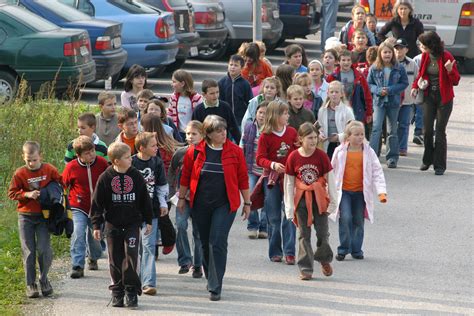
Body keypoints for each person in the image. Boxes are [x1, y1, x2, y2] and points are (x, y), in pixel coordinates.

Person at [177, 115, 250, 301]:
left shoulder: (235, 151)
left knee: (217, 240)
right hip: (200, 204)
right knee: (204, 241)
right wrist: (181, 198)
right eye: (218, 130)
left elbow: (242, 178)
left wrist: (247, 203)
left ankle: (216, 286)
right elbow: (185, 176)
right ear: (208, 134)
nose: (223, 133)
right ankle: (211, 276)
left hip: (225, 204)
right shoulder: (195, 151)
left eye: (224, 129)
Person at [91, 142, 153, 308]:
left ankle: (131, 291)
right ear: (116, 161)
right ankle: (117, 291)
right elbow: (97, 203)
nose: (130, 159)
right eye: (127, 157)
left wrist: (148, 219)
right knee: (115, 258)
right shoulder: (105, 177)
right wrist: (97, 225)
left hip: (133, 224)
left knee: (132, 255)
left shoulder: (136, 176)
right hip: (113, 225)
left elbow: (145, 200)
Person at [8, 141, 61, 298]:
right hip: (26, 216)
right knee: (29, 251)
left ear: (41, 156)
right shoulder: (20, 174)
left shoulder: (49, 169)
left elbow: (60, 182)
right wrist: (26, 194)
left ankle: (44, 279)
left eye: (34, 160)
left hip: (44, 216)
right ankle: (30, 284)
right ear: (23, 157)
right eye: (28, 160)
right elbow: (12, 193)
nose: (31, 163)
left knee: (44, 250)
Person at [284, 122, 336, 280]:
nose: (313, 141)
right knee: (303, 235)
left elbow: (330, 180)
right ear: (301, 139)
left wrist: (333, 202)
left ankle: (324, 258)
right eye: (310, 138)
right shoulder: (293, 156)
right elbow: (289, 182)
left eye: (315, 137)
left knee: (322, 233)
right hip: (301, 200)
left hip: (319, 199)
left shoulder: (321, 156)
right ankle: (306, 267)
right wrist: (289, 206)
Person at [330, 121, 387, 261]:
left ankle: (356, 249)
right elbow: (331, 171)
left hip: (361, 193)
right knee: (346, 217)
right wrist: (327, 190)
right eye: (356, 134)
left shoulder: (369, 152)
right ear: (348, 137)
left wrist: (381, 192)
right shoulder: (340, 151)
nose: (360, 137)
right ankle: (343, 248)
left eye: (362, 134)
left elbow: (377, 172)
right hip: (344, 192)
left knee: (358, 220)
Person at [410, 31, 460, 175]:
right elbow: (420, 75)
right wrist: (415, 87)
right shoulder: (425, 56)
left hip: (444, 98)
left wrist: (450, 70)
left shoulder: (446, 56)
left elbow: (456, 80)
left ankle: (439, 165)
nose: (421, 48)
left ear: (431, 46)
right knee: (427, 130)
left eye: (423, 45)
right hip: (429, 96)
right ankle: (427, 159)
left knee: (439, 131)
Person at [255, 101, 298, 265]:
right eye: (285, 113)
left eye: (287, 113)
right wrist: (273, 165)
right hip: (271, 179)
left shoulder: (292, 132)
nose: (288, 116)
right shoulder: (265, 135)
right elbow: (260, 158)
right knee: (273, 217)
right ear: (276, 115)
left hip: (289, 178)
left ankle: (290, 252)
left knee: (289, 214)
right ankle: (275, 251)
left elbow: (297, 151)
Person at [62, 136, 108, 279]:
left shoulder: (102, 163)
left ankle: (93, 257)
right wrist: (62, 205)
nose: (91, 155)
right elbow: (63, 185)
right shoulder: (72, 167)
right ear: (78, 155)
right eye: (87, 153)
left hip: (98, 207)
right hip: (78, 206)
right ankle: (77, 265)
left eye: (92, 151)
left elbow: (109, 180)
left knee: (95, 237)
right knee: (78, 232)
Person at [132, 132, 169, 296]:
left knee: (148, 246)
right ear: (142, 148)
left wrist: (162, 203)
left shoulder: (157, 162)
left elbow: (162, 185)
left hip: (151, 212)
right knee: (134, 246)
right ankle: (133, 279)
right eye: (153, 145)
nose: (156, 148)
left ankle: (149, 283)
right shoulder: (131, 162)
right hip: (131, 212)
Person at [168, 121, 203, 277]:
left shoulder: (206, 153)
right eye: (188, 133)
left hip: (200, 199)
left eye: (194, 134)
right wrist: (171, 194)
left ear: (202, 135)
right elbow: (172, 173)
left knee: (198, 232)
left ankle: (197, 264)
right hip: (182, 197)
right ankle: (185, 260)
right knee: (180, 226)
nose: (190, 137)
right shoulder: (180, 152)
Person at [141, 113, 180, 255]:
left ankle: (168, 240)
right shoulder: (165, 142)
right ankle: (155, 247)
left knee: (161, 215)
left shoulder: (160, 146)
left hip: (164, 184)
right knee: (156, 215)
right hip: (160, 183)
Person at [367, 42, 408, 168]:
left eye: (389, 52)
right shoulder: (374, 67)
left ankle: (392, 158)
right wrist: (379, 90)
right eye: (385, 52)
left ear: (393, 54)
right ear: (380, 53)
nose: (387, 54)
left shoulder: (399, 67)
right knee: (376, 128)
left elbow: (404, 83)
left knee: (392, 130)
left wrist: (390, 89)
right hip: (379, 102)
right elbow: (369, 84)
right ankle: (373, 157)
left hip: (393, 102)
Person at [240, 102, 269, 239]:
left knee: (267, 199)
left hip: (267, 171)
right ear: (255, 114)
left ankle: (264, 227)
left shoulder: (272, 130)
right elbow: (242, 145)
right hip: (251, 169)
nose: (262, 115)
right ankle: (252, 225)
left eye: (266, 113)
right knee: (250, 196)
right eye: (260, 112)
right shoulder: (249, 127)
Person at [326, 49, 373, 130]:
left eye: (348, 60)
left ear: (352, 61)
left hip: (356, 110)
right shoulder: (333, 77)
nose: (346, 62)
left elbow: (367, 95)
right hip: (338, 110)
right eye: (343, 60)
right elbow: (327, 95)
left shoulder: (359, 76)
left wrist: (369, 112)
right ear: (338, 62)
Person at [192, 79, 241, 143]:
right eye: (212, 93)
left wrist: (240, 144)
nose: (215, 96)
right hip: (206, 146)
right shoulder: (198, 110)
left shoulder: (225, 107)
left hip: (224, 144)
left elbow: (234, 127)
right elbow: (195, 130)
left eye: (217, 92)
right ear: (204, 94)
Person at [317, 81, 355, 159]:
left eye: (336, 92)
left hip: (342, 145)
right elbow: (320, 126)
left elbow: (352, 130)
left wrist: (339, 137)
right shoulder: (322, 110)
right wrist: (320, 134)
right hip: (327, 145)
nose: (334, 94)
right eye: (331, 92)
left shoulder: (347, 110)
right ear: (328, 93)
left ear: (341, 94)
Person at [394, 38, 419, 156]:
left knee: (404, 124)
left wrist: (416, 89)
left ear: (407, 50)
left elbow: (417, 78)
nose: (399, 51)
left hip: (407, 101)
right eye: (396, 48)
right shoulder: (389, 62)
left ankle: (402, 148)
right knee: (392, 126)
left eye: (401, 48)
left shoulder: (412, 64)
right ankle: (393, 147)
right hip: (393, 100)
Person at [218, 54, 254, 127]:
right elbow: (219, 101)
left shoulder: (245, 84)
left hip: (240, 120)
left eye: (236, 65)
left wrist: (250, 118)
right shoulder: (222, 82)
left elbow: (250, 102)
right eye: (231, 64)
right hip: (225, 120)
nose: (232, 67)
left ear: (242, 68)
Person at [167, 69, 203, 141]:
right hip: (178, 133)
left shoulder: (197, 98)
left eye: (174, 82)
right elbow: (170, 114)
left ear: (182, 84)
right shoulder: (173, 97)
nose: (172, 84)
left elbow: (201, 117)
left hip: (192, 134)